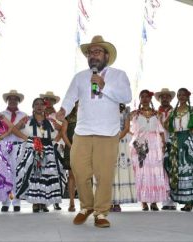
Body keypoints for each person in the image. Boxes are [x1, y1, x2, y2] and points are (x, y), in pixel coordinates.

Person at [56, 35, 132, 228]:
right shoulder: (80, 76)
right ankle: (86, 206)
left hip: (108, 132)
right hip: (82, 131)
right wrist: (63, 110)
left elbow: (127, 97)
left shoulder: (118, 75)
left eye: (97, 51)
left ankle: (100, 212)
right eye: (90, 52)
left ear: (107, 55)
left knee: (104, 174)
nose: (93, 55)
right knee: (79, 170)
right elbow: (70, 97)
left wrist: (104, 86)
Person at [13, 97, 63, 213]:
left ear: (45, 107)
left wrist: (55, 141)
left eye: (41, 104)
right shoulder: (27, 120)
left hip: (47, 149)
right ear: (33, 107)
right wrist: (27, 138)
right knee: (33, 174)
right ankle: (35, 203)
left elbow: (62, 129)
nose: (39, 106)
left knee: (46, 175)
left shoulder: (50, 121)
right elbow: (14, 129)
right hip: (32, 148)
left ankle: (44, 202)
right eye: (36, 104)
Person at [164, 88, 193, 211]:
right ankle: (184, 201)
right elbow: (165, 123)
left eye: (183, 95)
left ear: (188, 96)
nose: (181, 97)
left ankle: (190, 202)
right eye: (179, 95)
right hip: (176, 140)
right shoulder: (173, 111)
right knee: (177, 169)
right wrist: (171, 130)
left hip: (188, 140)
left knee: (189, 168)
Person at [130, 90, 169, 211]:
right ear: (140, 99)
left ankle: (154, 202)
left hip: (154, 144)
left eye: (147, 97)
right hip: (140, 145)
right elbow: (128, 128)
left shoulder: (157, 114)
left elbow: (161, 131)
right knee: (142, 172)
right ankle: (143, 201)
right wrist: (136, 138)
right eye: (143, 97)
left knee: (155, 171)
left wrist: (163, 145)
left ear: (150, 99)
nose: (145, 99)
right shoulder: (134, 114)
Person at [0, 90, 27, 213]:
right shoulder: (1, 114)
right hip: (4, 145)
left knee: (16, 173)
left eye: (15, 99)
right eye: (10, 98)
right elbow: (0, 132)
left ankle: (16, 201)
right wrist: (15, 127)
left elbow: (22, 131)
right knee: (5, 174)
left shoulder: (23, 115)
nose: (12, 101)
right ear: (7, 100)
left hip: (18, 146)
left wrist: (11, 128)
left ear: (18, 101)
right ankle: (5, 201)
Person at [40, 90, 64, 210]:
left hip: (54, 145)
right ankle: (44, 201)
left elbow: (62, 130)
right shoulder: (39, 116)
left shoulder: (58, 116)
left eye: (51, 100)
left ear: (54, 102)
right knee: (43, 173)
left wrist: (56, 142)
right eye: (46, 100)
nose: (48, 102)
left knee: (57, 173)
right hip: (42, 146)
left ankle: (56, 200)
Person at [110, 103, 136, 212]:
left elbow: (126, 128)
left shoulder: (125, 110)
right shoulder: (105, 105)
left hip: (121, 141)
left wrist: (116, 138)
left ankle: (117, 202)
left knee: (120, 171)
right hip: (106, 140)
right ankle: (107, 200)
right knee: (108, 170)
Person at [155, 88, 177, 211]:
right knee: (161, 171)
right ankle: (164, 201)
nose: (164, 99)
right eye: (162, 97)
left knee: (172, 169)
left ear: (170, 99)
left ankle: (173, 201)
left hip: (172, 141)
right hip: (157, 144)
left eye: (167, 97)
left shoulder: (175, 111)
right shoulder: (154, 113)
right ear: (159, 99)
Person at [61, 101, 78, 212]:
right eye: (77, 102)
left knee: (87, 176)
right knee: (72, 176)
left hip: (86, 148)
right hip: (71, 148)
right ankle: (71, 201)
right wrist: (70, 146)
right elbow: (63, 133)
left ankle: (87, 202)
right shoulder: (68, 117)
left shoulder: (89, 116)